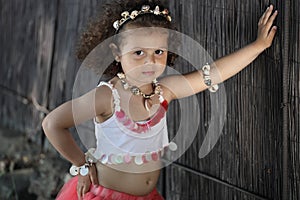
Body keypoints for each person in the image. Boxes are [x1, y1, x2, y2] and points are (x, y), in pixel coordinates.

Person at [42, 0, 278, 199]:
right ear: (116, 53)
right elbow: (52, 123)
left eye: (158, 52)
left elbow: (212, 74)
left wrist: (258, 46)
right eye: (138, 53)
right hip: (105, 194)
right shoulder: (108, 96)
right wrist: (82, 164)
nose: (150, 61)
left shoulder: (165, 90)